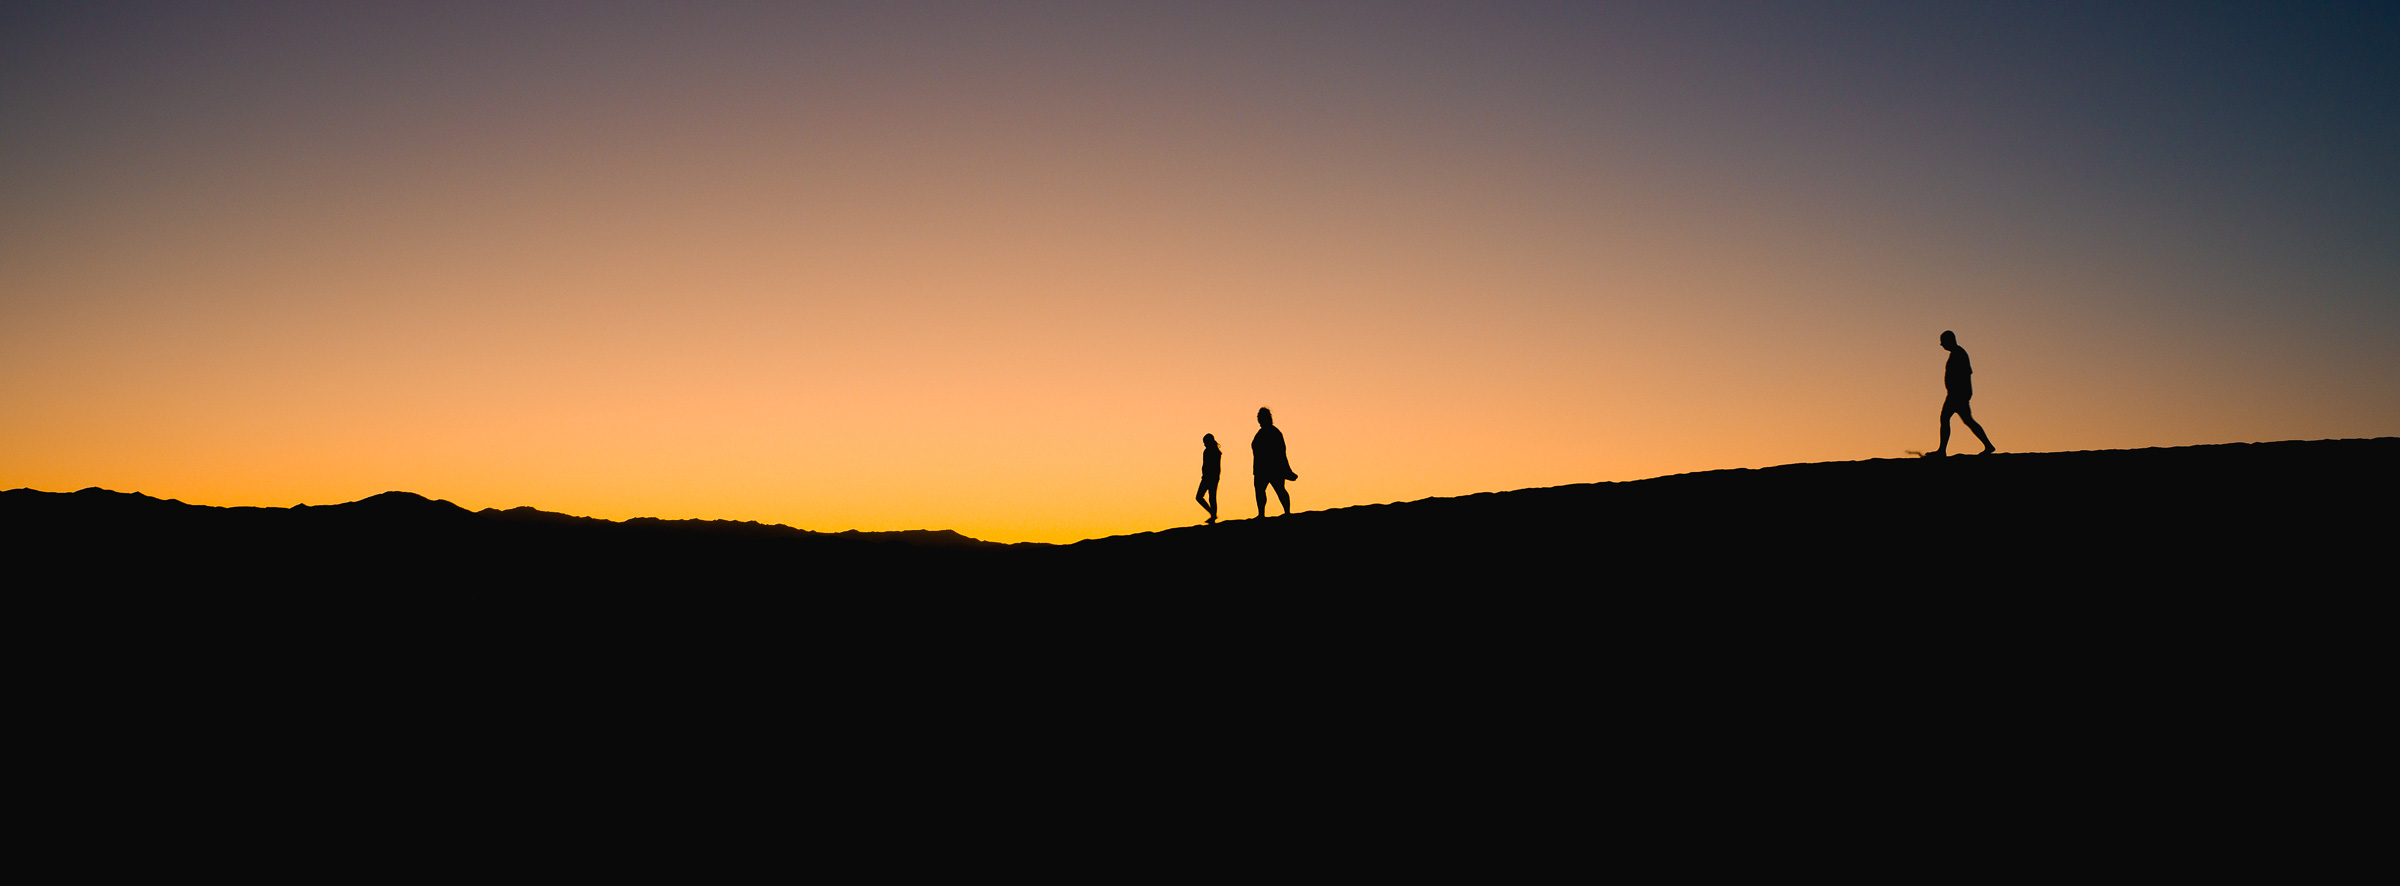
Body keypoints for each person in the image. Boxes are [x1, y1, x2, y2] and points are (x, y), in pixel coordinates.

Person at [1932, 330, 1996, 457]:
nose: (1942, 345)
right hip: (1955, 394)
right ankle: (1988, 445)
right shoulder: (1956, 353)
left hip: (1957, 395)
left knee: (1947, 418)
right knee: (1966, 420)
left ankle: (1942, 451)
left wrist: (1966, 392)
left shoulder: (1959, 354)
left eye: (1943, 342)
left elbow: (1966, 374)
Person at [1251, 407, 1297, 517]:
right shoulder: (1261, 433)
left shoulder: (1274, 432)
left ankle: (1287, 512)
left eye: (1261, 417)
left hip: (1274, 468)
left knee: (1280, 490)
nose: (1259, 419)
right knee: (1260, 491)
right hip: (1260, 469)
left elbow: (1281, 452)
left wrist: (1286, 469)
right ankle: (1261, 514)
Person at [1195, 434, 1222, 524]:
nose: (1204, 444)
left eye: (1205, 442)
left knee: (1203, 497)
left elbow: (1213, 466)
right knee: (1210, 497)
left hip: (1210, 477)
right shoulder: (1213, 451)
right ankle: (1213, 514)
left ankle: (1213, 515)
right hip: (1210, 477)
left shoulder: (1212, 451)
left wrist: (1209, 475)